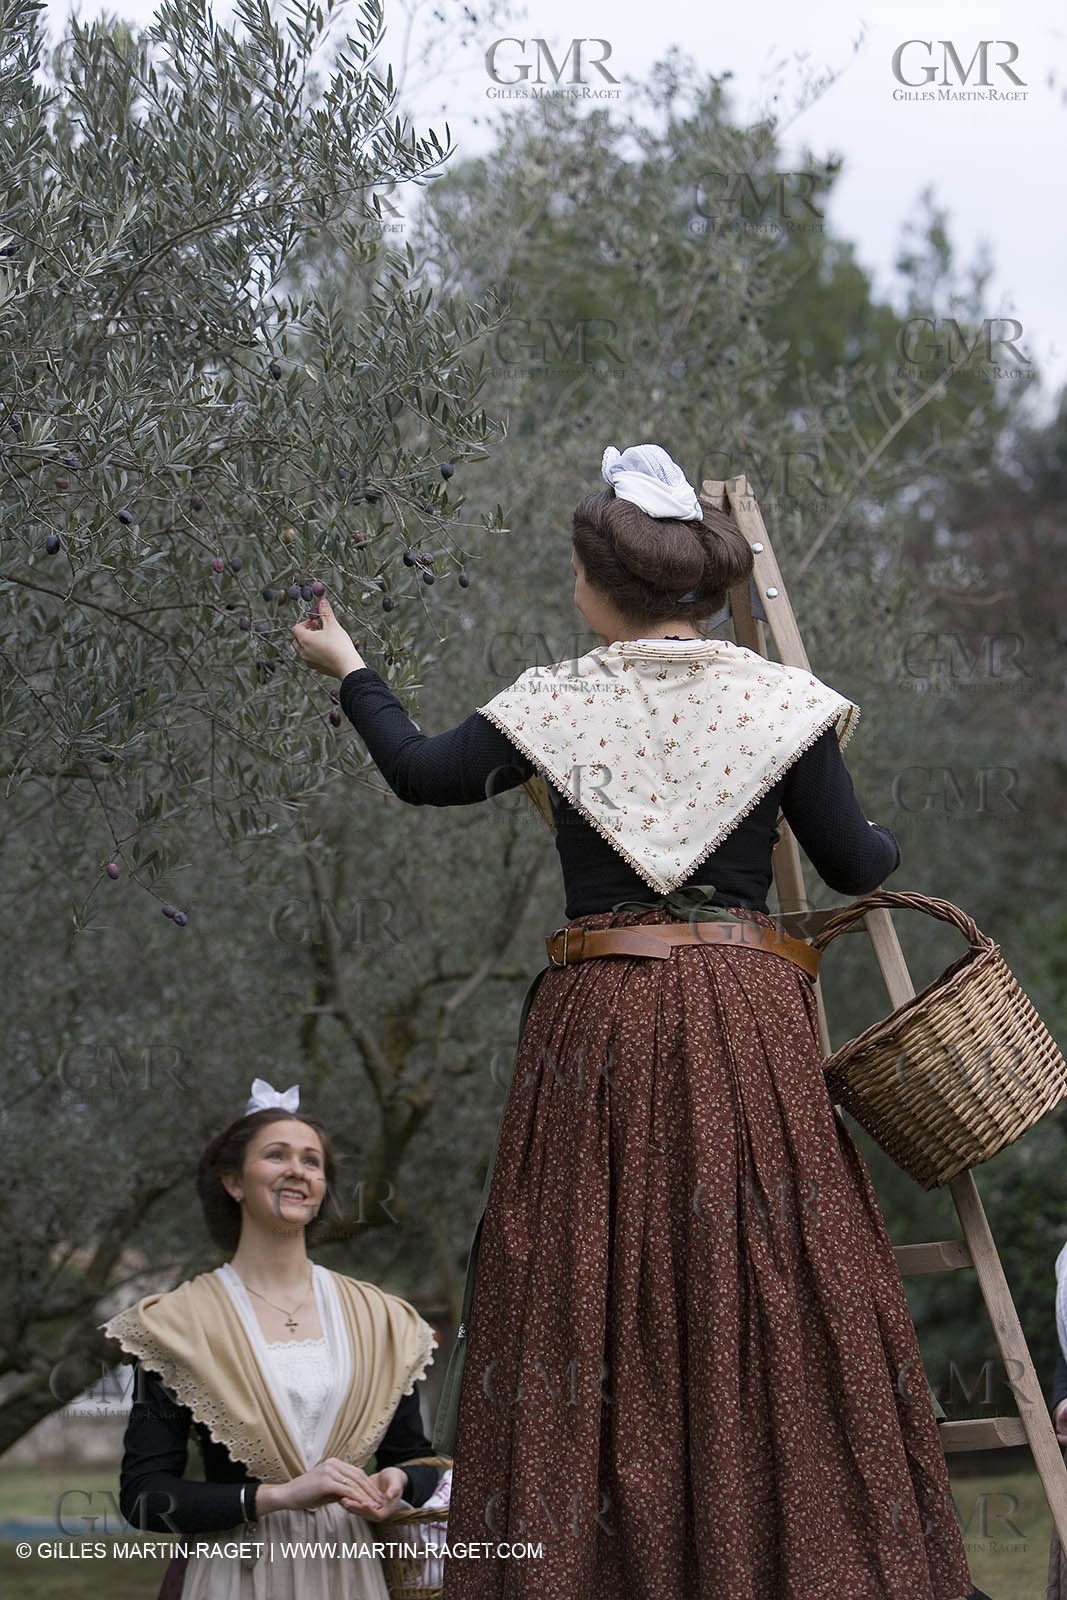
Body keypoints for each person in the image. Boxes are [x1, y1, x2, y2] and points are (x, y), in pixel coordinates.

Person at [291, 442, 979, 1598]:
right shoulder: (779, 701)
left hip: (600, 1017)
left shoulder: (556, 700)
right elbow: (858, 863)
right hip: (745, 1015)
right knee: (771, 1273)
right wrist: (877, 837)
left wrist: (349, 664)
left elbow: (415, 770)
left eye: (575, 571)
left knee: (581, 1275)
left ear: (598, 583)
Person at [101, 1077, 442, 1600]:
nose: (297, 1170)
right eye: (276, 1155)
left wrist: (397, 1484)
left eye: (312, 1161)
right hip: (235, 1576)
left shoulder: (382, 1320)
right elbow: (144, 1496)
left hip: (351, 1571)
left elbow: (415, 1458)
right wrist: (279, 1496)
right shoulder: (179, 1324)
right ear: (233, 1182)